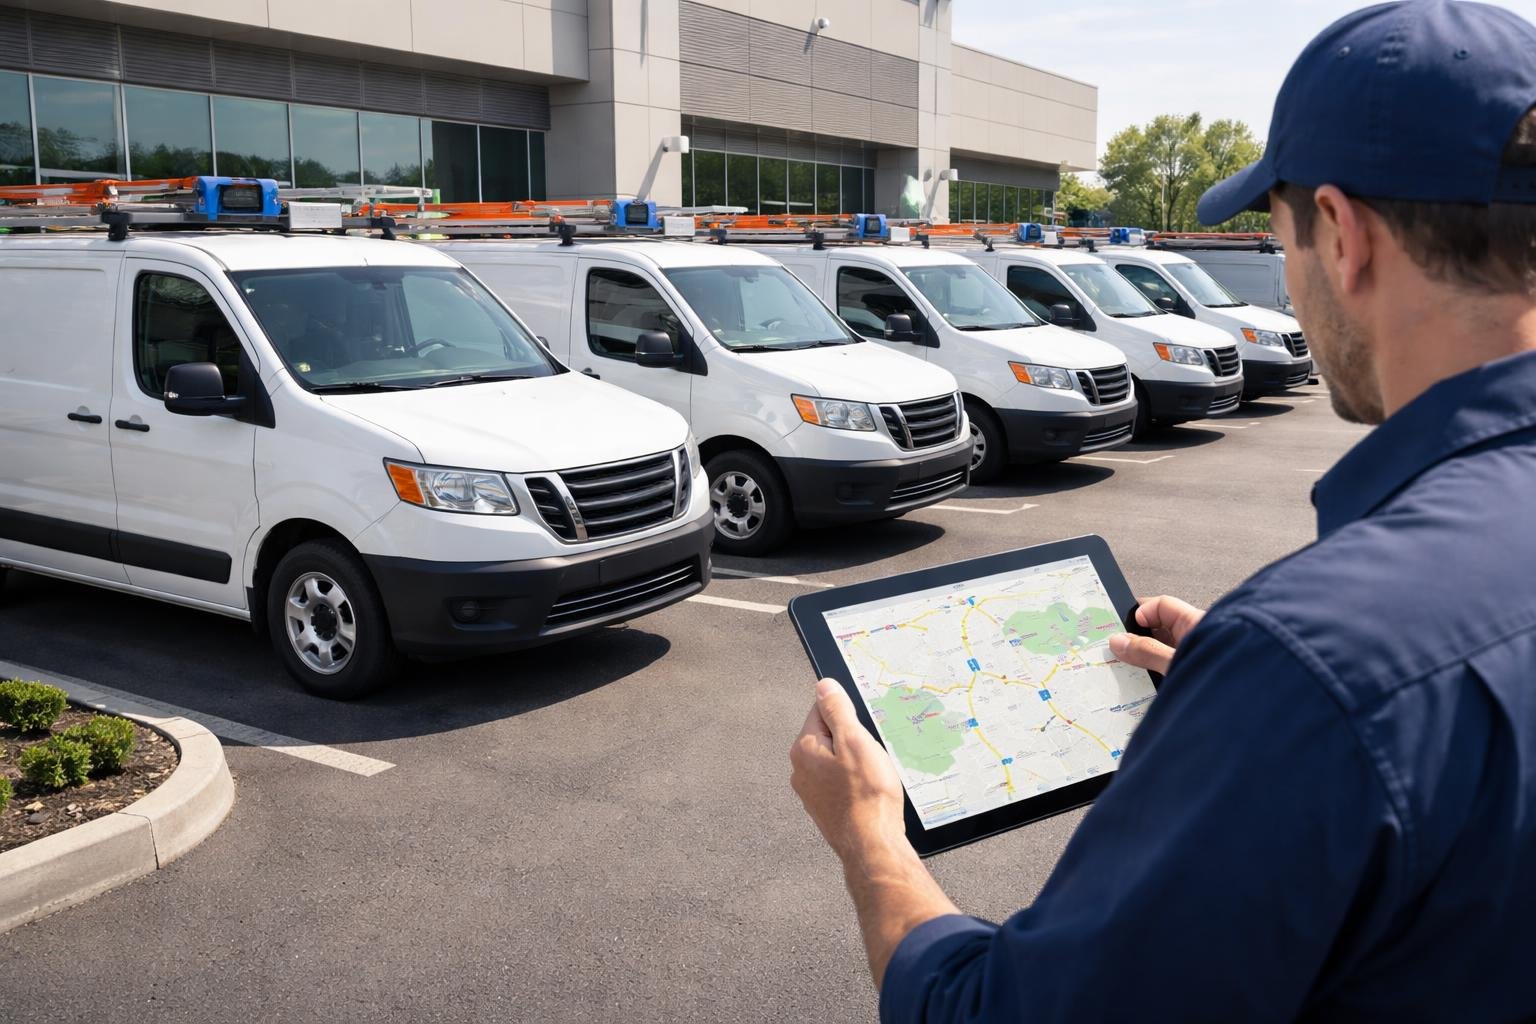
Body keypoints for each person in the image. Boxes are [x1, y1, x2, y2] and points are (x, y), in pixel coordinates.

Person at [788, 1, 1536, 1020]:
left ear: (1344, 234)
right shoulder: (1314, 678)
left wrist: (870, 830)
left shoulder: (1315, 665)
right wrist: (1254, 721)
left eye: (1281, 237)